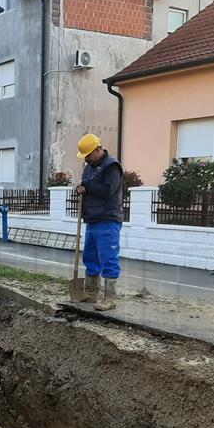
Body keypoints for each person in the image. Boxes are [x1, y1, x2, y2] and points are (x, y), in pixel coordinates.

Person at [75, 133, 124, 310]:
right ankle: (90, 292)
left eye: (88, 155)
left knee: (108, 258)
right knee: (91, 257)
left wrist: (87, 186)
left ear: (97, 149)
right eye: (85, 157)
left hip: (108, 219)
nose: (86, 159)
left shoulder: (112, 167)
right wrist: (80, 188)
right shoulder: (90, 167)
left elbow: (106, 191)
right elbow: (85, 184)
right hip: (92, 219)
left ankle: (110, 297)